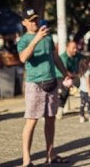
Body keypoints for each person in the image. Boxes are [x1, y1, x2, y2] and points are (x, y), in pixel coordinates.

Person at [17, 9, 72, 167]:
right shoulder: (23, 40)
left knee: (50, 119)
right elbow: (23, 58)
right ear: (24, 23)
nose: (35, 22)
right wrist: (36, 39)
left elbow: (54, 57)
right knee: (32, 121)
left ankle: (51, 155)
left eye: (36, 19)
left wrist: (65, 74)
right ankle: (26, 160)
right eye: (31, 20)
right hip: (35, 85)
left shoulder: (47, 37)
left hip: (51, 83)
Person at [55, 40, 81, 118]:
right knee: (65, 88)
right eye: (73, 48)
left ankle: (60, 108)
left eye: (76, 48)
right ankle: (59, 109)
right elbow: (66, 72)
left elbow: (85, 59)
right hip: (60, 77)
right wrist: (76, 75)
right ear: (67, 48)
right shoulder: (63, 57)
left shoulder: (77, 56)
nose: (75, 50)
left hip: (72, 78)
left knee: (79, 82)